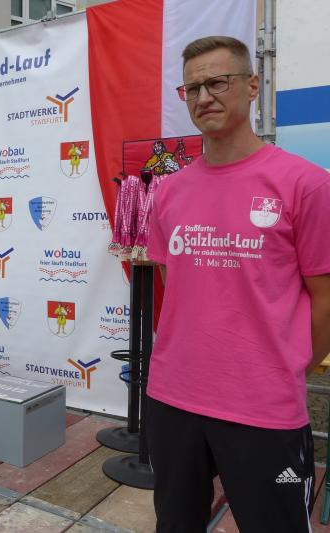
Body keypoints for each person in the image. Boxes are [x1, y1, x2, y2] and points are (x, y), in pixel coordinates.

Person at [145, 36, 330, 532]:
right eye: (192, 89)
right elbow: (173, 284)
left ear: (252, 86)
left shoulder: (307, 184)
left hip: (264, 407)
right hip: (173, 399)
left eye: (217, 82)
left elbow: (325, 299)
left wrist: (286, 365)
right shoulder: (168, 192)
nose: (204, 97)